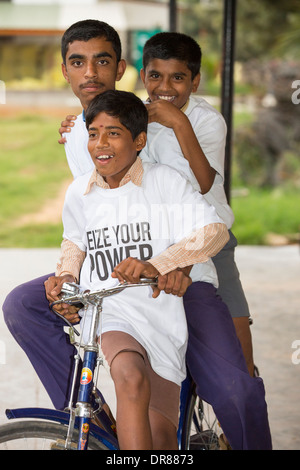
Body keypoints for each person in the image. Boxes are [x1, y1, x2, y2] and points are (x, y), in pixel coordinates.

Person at [3, 21, 272, 450]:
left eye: (102, 61)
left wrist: (173, 263)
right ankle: (92, 425)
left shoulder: (165, 123)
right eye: (78, 62)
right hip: (117, 280)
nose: (91, 73)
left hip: (186, 271)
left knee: (237, 392)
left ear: (121, 68)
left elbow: (203, 211)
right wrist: (66, 277)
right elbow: (83, 223)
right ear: (65, 71)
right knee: (23, 304)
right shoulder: (78, 134)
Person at [57, 89, 230, 449]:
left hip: (161, 321)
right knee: (130, 377)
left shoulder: (163, 181)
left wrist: (156, 265)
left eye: (113, 133)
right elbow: (74, 241)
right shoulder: (79, 192)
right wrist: (66, 277)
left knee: (161, 441)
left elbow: (214, 232)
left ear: (139, 140)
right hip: (112, 311)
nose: (100, 144)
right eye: (93, 133)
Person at [139, 32, 255, 377]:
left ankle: (237, 418)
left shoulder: (207, 120)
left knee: (238, 355)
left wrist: (177, 121)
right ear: (143, 75)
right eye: (155, 75)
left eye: (178, 77)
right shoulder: (133, 113)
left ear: (195, 81)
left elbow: (204, 182)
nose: (165, 86)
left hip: (210, 240)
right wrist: (73, 124)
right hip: (157, 240)